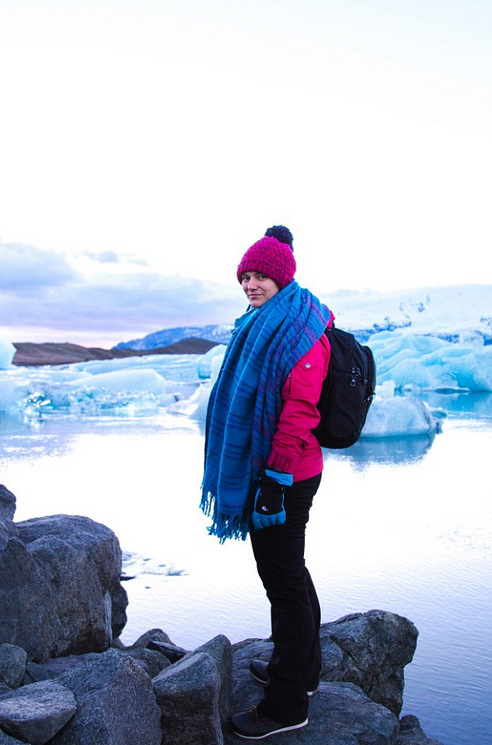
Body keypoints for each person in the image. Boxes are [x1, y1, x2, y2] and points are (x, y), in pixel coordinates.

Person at [201, 225, 332, 739]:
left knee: (282, 580)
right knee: (290, 572)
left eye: (260, 276)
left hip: (287, 474)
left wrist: (274, 480)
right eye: (246, 277)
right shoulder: (263, 322)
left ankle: (285, 704)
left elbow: (299, 413)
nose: (251, 285)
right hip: (277, 472)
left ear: (283, 277)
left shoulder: (301, 331)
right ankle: (303, 670)